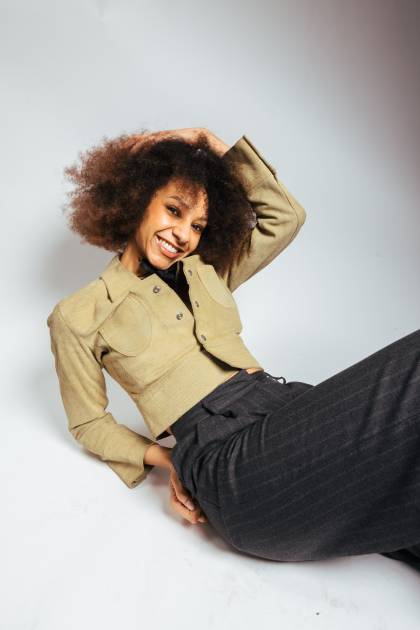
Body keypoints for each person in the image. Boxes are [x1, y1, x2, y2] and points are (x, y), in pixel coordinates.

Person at [47, 127, 420, 571]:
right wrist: (170, 459)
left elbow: (286, 216)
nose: (183, 234)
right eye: (173, 210)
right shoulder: (78, 313)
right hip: (231, 464)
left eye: (198, 226)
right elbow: (88, 422)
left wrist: (208, 142)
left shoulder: (208, 272)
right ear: (136, 199)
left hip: (289, 415)